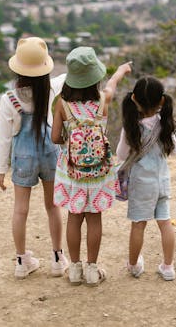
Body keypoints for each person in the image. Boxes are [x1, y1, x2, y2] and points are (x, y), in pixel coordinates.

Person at [51, 47, 132, 286]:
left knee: (74, 218)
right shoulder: (102, 99)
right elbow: (113, 84)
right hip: (100, 171)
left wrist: (71, 139)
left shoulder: (62, 104)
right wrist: (120, 71)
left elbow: (55, 137)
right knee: (94, 218)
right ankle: (92, 270)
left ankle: (75, 269)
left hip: (72, 171)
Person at [0, 37, 68, 279]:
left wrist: (0, 170)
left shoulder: (9, 99)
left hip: (23, 157)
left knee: (20, 210)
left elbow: (4, 138)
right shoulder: (52, 89)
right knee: (53, 206)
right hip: (49, 151)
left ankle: (21, 261)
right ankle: (58, 258)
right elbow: (65, 77)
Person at [116, 76, 176, 281]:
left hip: (142, 185)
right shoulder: (165, 124)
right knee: (165, 223)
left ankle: (134, 266)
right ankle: (168, 267)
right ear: (162, 101)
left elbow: (122, 155)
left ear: (134, 99)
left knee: (138, 224)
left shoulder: (132, 127)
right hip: (162, 182)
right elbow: (175, 151)